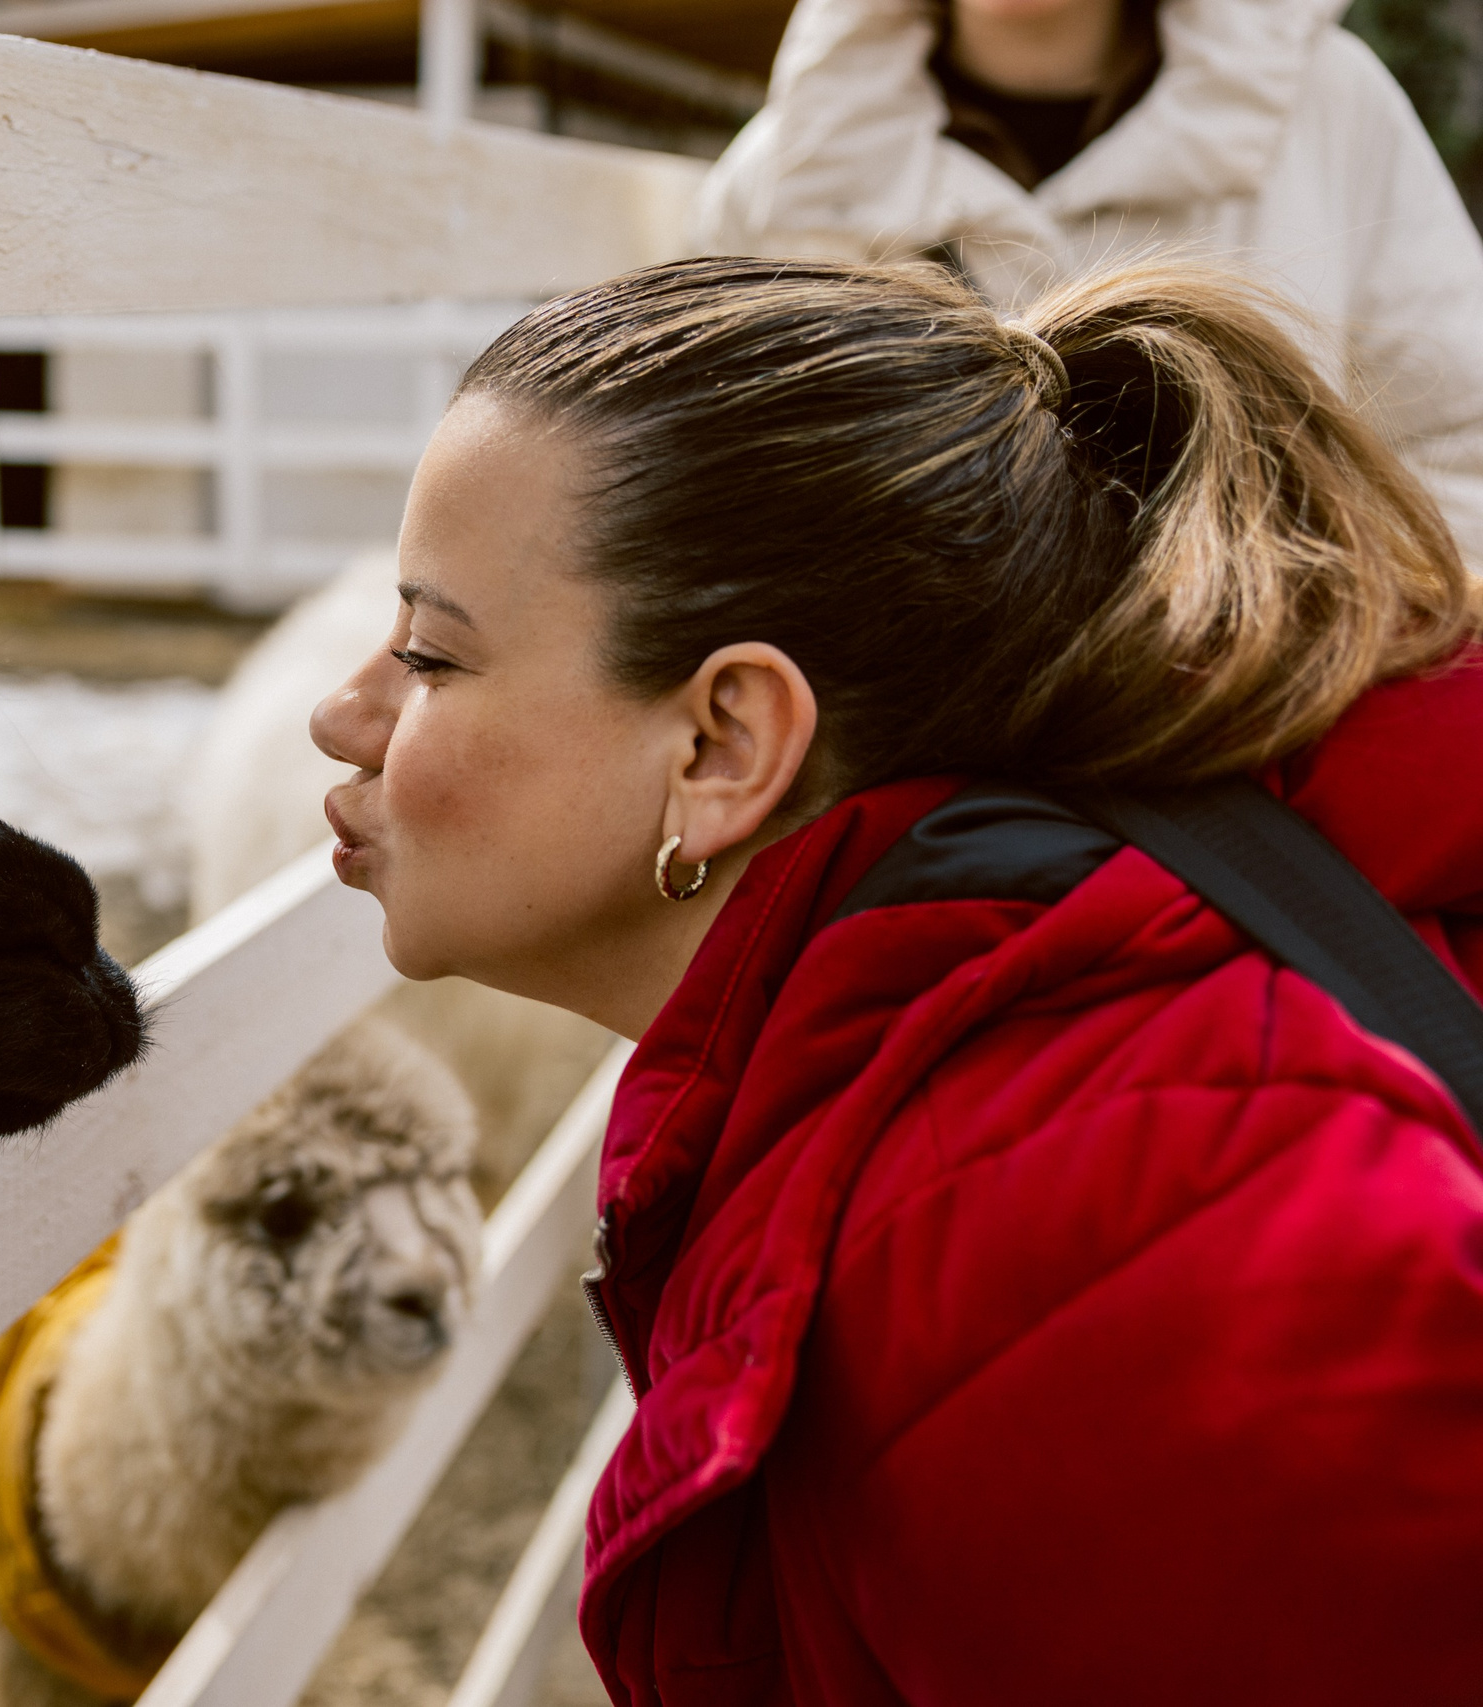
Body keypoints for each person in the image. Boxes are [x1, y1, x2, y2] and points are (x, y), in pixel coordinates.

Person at [309, 255, 1483, 1702]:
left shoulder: (1072, 1244)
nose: (338, 710)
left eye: (430, 651)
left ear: (724, 743)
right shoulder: (963, 1095)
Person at [695, 0, 1483, 565]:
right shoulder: (787, 176)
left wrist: (1323, 640)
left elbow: (1461, 445)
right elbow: (704, 497)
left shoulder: (1333, 109)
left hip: (1265, 731)